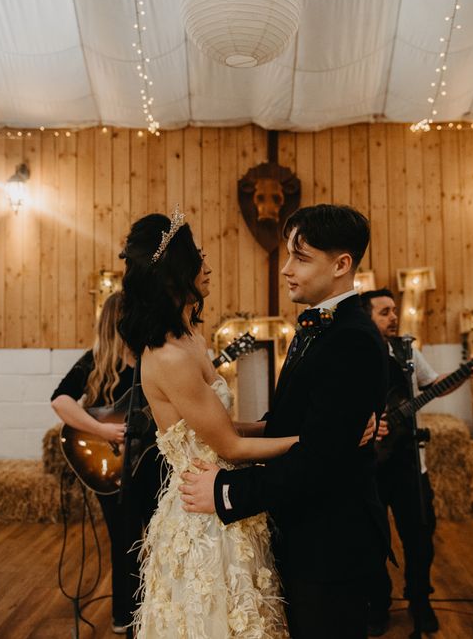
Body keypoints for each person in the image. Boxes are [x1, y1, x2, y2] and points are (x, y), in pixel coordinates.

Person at [181, 204, 391, 639]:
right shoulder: (317, 326)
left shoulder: (352, 339)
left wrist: (227, 492)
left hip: (331, 544)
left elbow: (322, 460)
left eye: (301, 257)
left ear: (341, 264)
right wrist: (234, 430)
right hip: (302, 531)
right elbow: (300, 423)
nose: (286, 270)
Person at [118, 210, 301, 638]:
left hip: (228, 500)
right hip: (205, 519)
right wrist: (312, 440)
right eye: (198, 257)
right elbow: (231, 448)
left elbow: (221, 427)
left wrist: (269, 426)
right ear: (174, 272)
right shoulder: (170, 356)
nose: (208, 266)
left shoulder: (193, 339)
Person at [360, 288, 473, 637]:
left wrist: (466, 372)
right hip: (368, 466)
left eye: (394, 310)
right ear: (366, 316)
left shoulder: (407, 351)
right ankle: (378, 603)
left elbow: (432, 385)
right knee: (371, 541)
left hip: (410, 465)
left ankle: (419, 600)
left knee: (419, 538)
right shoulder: (355, 354)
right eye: (384, 312)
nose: (393, 317)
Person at [51, 292, 164, 636]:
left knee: (161, 538)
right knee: (125, 541)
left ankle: (160, 612)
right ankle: (124, 616)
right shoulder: (95, 362)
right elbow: (60, 401)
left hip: (152, 463)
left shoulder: (154, 360)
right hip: (111, 468)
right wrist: (101, 429)